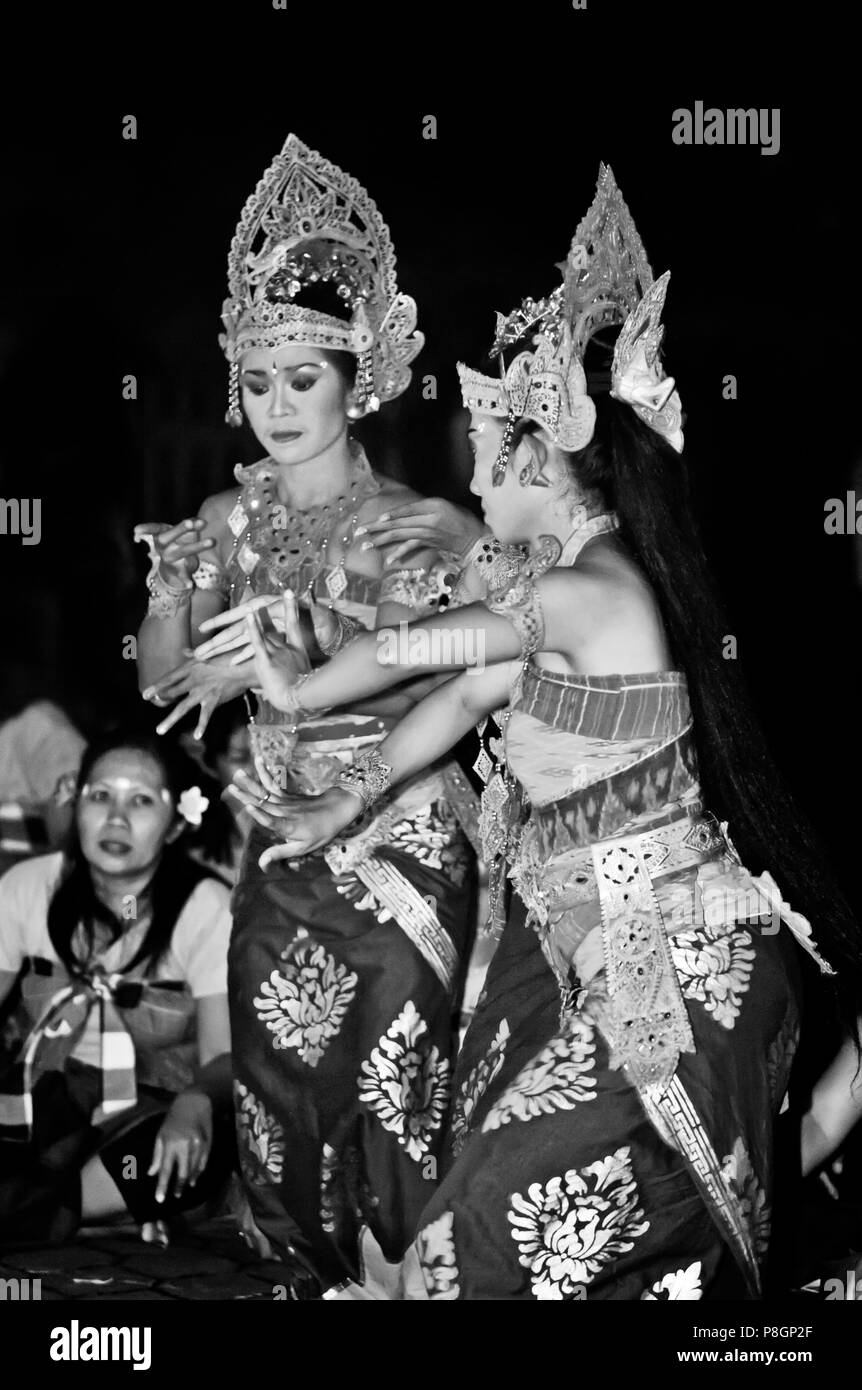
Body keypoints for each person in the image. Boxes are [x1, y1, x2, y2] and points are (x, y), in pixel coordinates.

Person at [216, 165, 862, 1300]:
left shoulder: (592, 592)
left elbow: (428, 651)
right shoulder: (553, 576)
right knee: (504, 1217)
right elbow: (464, 699)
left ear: (533, 451)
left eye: (479, 438)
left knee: (495, 1237)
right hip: (581, 958)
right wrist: (342, 796)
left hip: (666, 971)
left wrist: (306, 687)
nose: (470, 463)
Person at [135, 135, 479, 1295]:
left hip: (397, 820)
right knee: (278, 1073)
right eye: (259, 383)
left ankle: (409, 1281)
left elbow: (443, 668)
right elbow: (159, 683)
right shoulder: (224, 521)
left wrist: (306, 647)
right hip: (277, 830)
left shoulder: (416, 523)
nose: (277, 407)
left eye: (304, 380)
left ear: (357, 380)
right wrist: (176, 592)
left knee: (388, 1067)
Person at [0, 728, 235, 1245]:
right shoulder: (28, 887)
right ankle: (79, 1219)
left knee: (197, 1151)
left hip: (142, 1120)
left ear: (175, 825)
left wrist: (196, 1099)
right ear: (75, 803)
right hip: (34, 1102)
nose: (116, 819)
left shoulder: (204, 907)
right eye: (100, 796)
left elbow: (224, 1056)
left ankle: (43, 1213)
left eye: (142, 801)